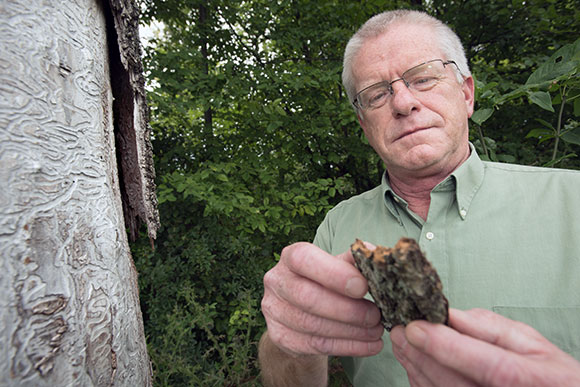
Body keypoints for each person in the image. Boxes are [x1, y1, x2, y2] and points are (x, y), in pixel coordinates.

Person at [258, 9, 580, 387]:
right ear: (364, 125)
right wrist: (294, 341)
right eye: (376, 95)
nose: (403, 102)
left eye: (423, 78)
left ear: (466, 93)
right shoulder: (336, 229)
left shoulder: (572, 201)